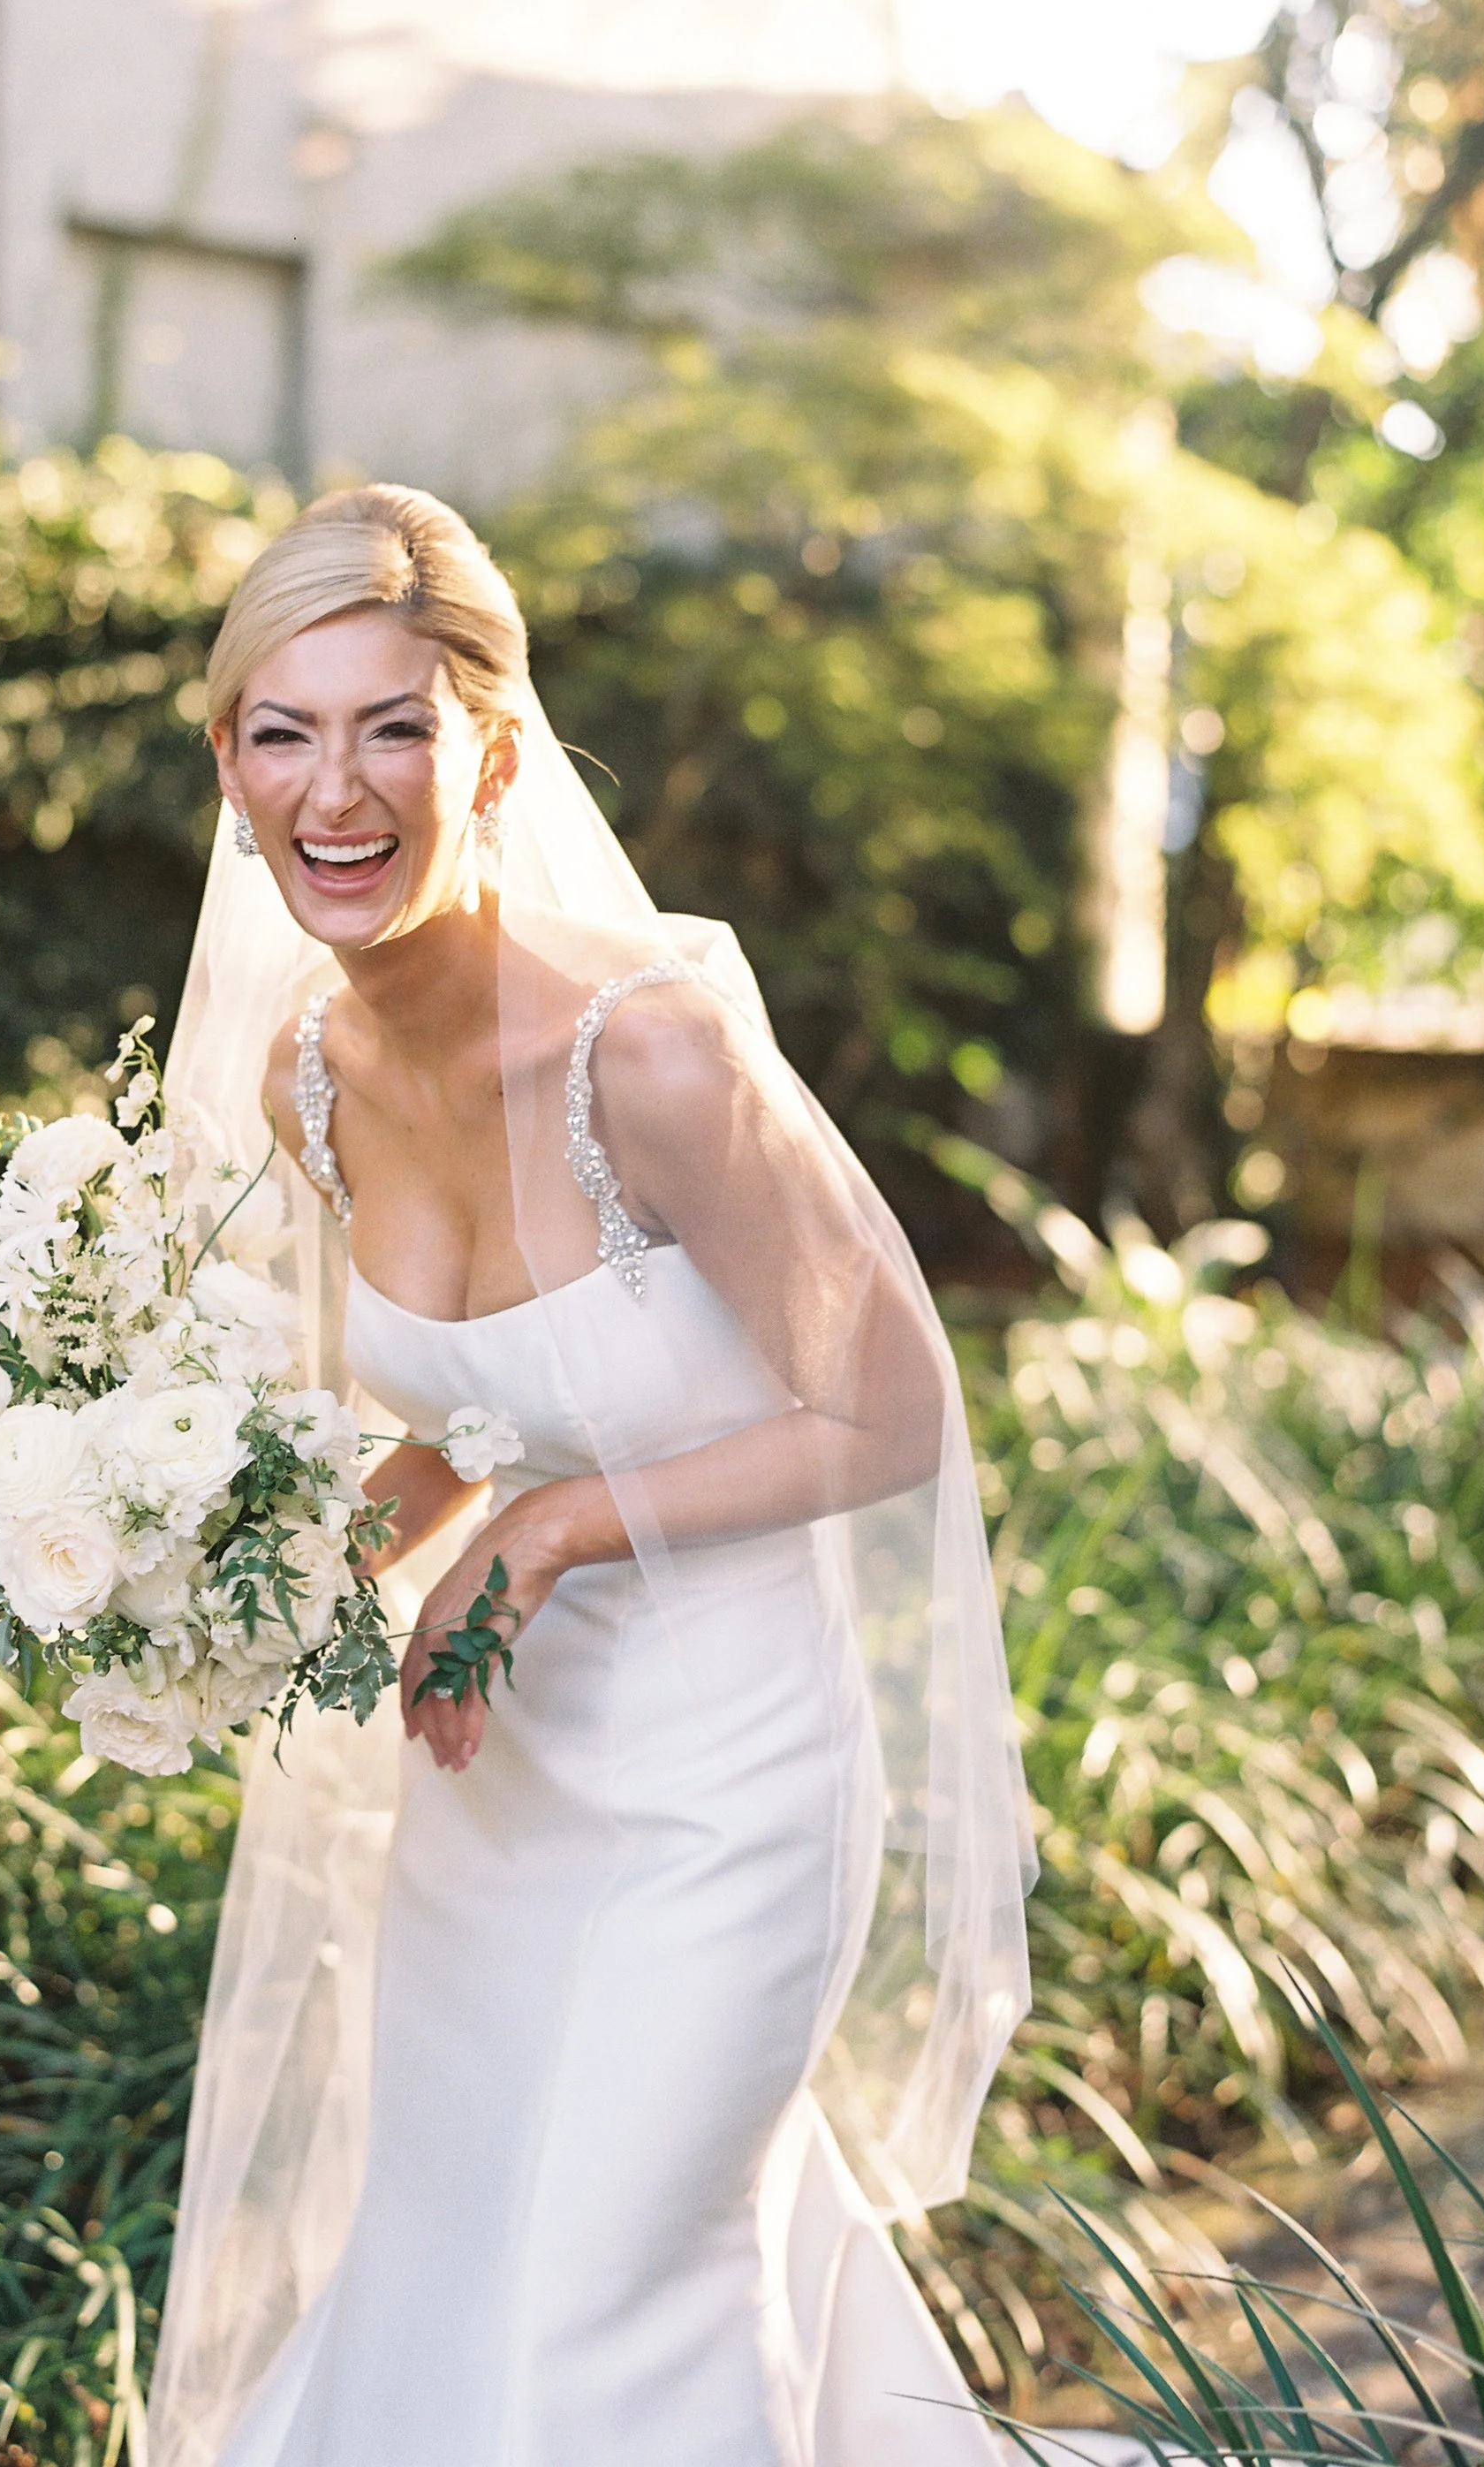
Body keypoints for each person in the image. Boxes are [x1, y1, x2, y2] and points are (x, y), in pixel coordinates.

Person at [148, 484, 1035, 2467]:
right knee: (458, 2263)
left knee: (608, 2296)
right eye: (283, 733)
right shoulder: (309, 1068)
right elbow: (449, 1429)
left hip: (724, 1783)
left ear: (496, 748)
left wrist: (555, 1527)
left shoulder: (649, 1058)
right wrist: (220, 1576)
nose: (338, 788)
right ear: (230, 767)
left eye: (392, 724)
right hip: (498, 1786)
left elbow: (886, 1409)